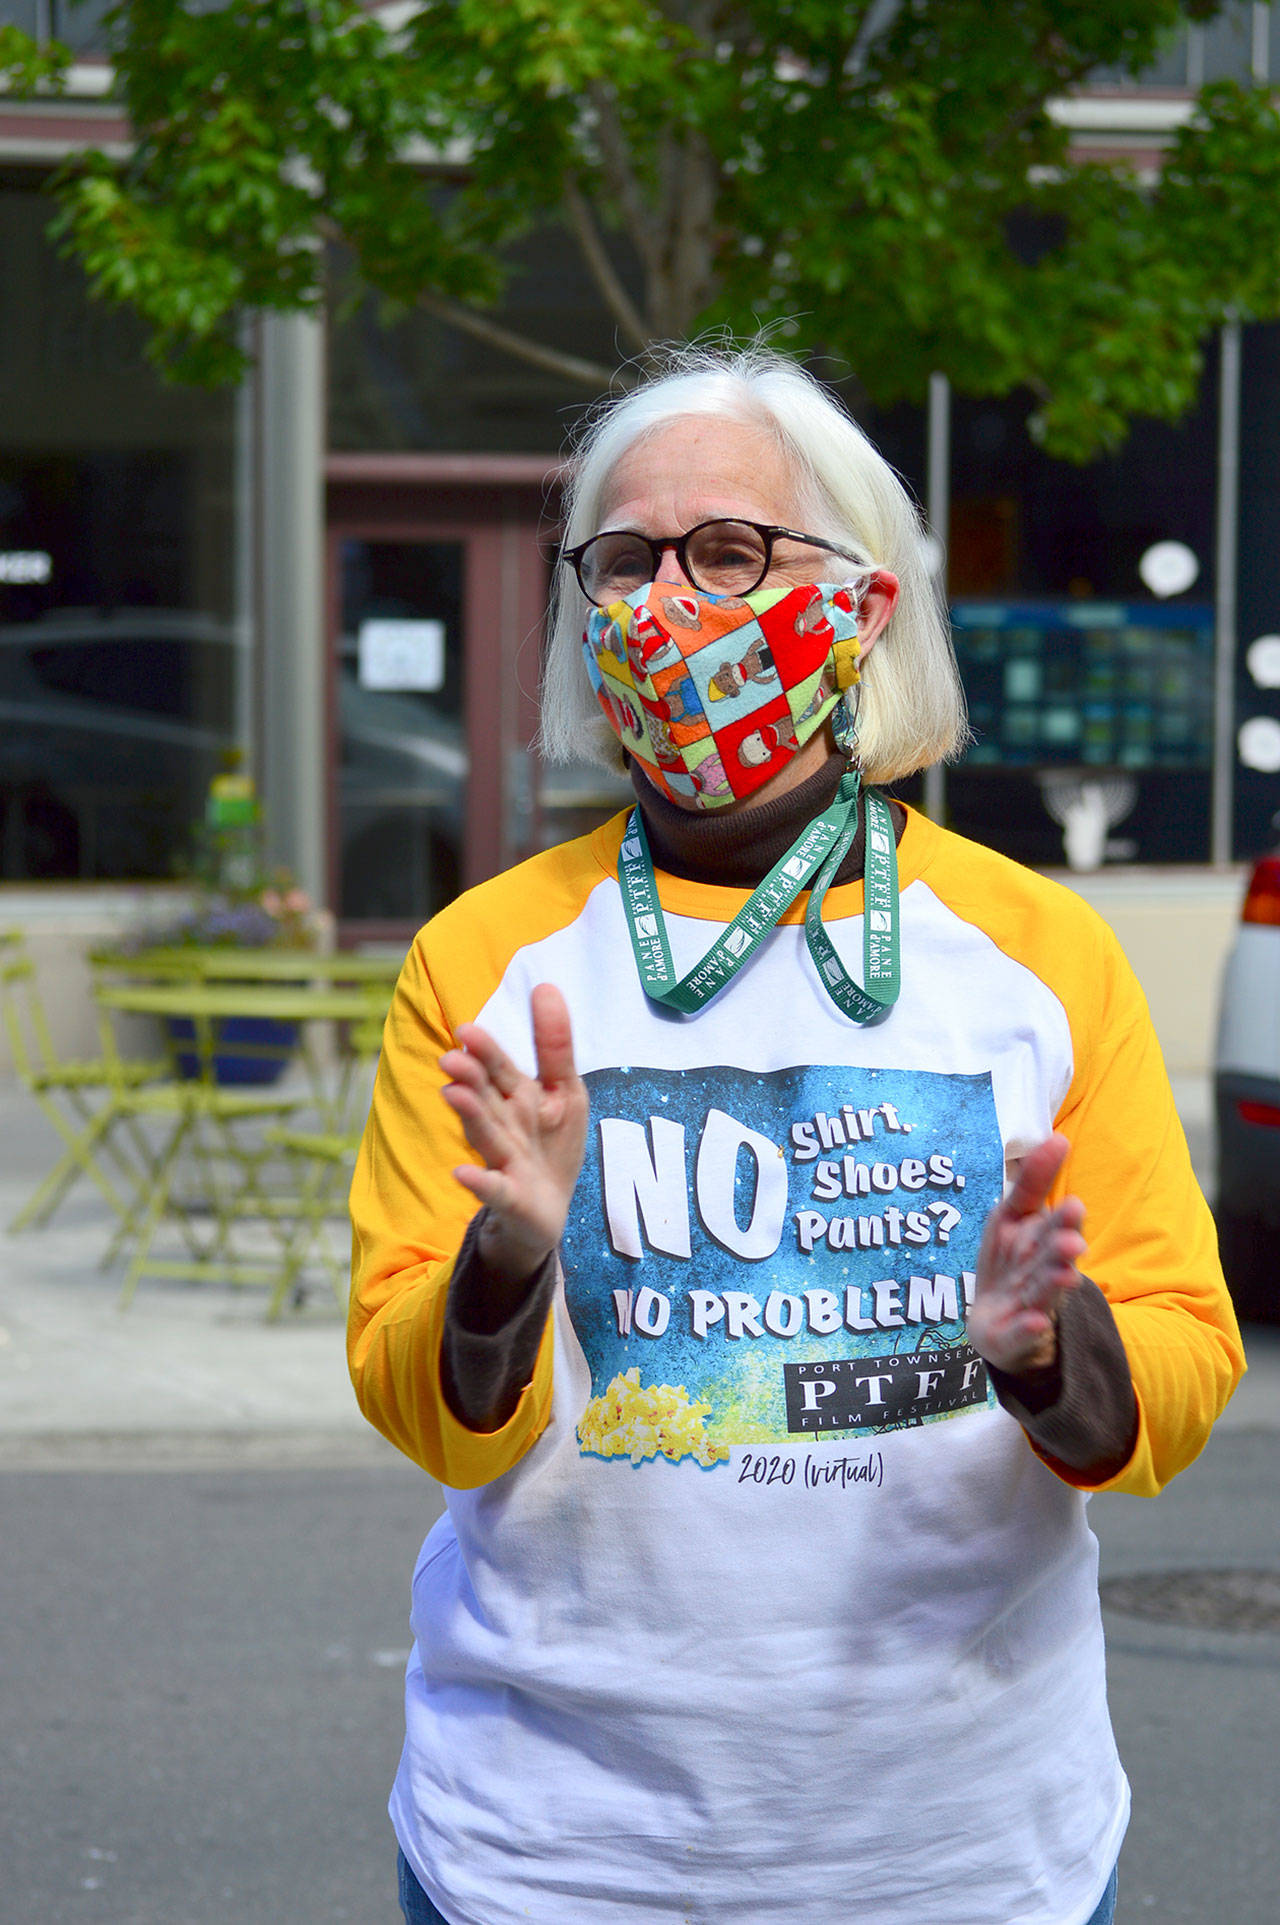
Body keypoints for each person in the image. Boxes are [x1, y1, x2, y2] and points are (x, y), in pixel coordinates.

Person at [348, 343, 1244, 1925]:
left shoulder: (1038, 953)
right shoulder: (486, 962)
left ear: (863, 602)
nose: (663, 606)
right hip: (551, 1855)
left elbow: (1176, 1374)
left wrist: (1051, 1349)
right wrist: (508, 1260)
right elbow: (432, 1415)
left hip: (964, 1857)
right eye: (624, 560)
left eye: (726, 551)